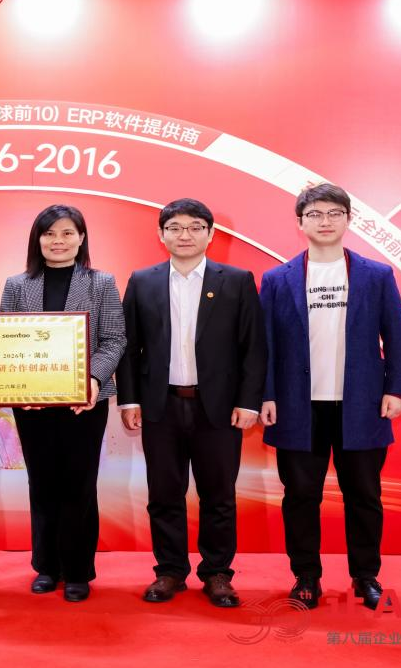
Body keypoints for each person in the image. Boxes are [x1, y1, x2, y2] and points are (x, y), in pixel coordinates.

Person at [258, 183, 401, 611]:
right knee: (300, 495)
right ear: (300, 222)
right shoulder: (277, 279)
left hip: (361, 405)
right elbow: (264, 345)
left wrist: (397, 389)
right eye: (314, 214)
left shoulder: (376, 275)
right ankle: (306, 576)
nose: (324, 222)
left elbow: (397, 337)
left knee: (364, 494)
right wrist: (266, 395)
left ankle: (366, 576)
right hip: (297, 407)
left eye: (333, 214)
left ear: (348, 220)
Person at [117, 198, 266, 609]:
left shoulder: (236, 280)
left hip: (217, 407)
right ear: (161, 234)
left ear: (210, 234)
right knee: (164, 493)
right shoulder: (142, 281)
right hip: (160, 406)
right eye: (175, 227)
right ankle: (169, 571)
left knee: (219, 495)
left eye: (195, 227)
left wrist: (248, 402)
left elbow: (253, 347)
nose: (185, 235)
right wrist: (129, 400)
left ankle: (217, 573)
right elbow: (129, 348)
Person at [0, 204, 126, 603]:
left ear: (81, 238)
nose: (58, 241)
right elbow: (5, 340)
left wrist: (93, 380)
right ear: (37, 239)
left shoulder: (101, 282)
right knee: (42, 483)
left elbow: (114, 339)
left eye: (68, 233)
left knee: (79, 484)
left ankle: (77, 570)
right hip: (31, 405)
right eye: (49, 233)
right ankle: (46, 566)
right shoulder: (16, 285)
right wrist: (19, 388)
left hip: (84, 401)